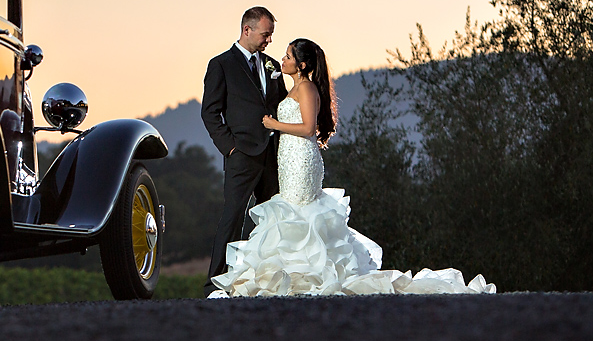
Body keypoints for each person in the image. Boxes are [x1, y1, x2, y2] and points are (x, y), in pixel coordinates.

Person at [209, 38, 496, 297]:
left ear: (302, 64)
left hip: (301, 160)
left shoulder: (307, 88)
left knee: (299, 211)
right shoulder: (293, 87)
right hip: (287, 158)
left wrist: (274, 124)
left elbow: (309, 128)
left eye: (287, 56)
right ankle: (287, 271)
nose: (281, 60)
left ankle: (308, 273)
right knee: (290, 213)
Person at [201, 6, 289, 297]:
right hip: (241, 154)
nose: (269, 41)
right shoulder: (221, 64)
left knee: (272, 218)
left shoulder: (273, 65)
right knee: (233, 216)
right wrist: (230, 147)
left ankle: (268, 279)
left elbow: (278, 106)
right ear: (247, 30)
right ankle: (215, 282)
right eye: (266, 34)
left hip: (272, 154)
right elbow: (210, 112)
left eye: (271, 35)